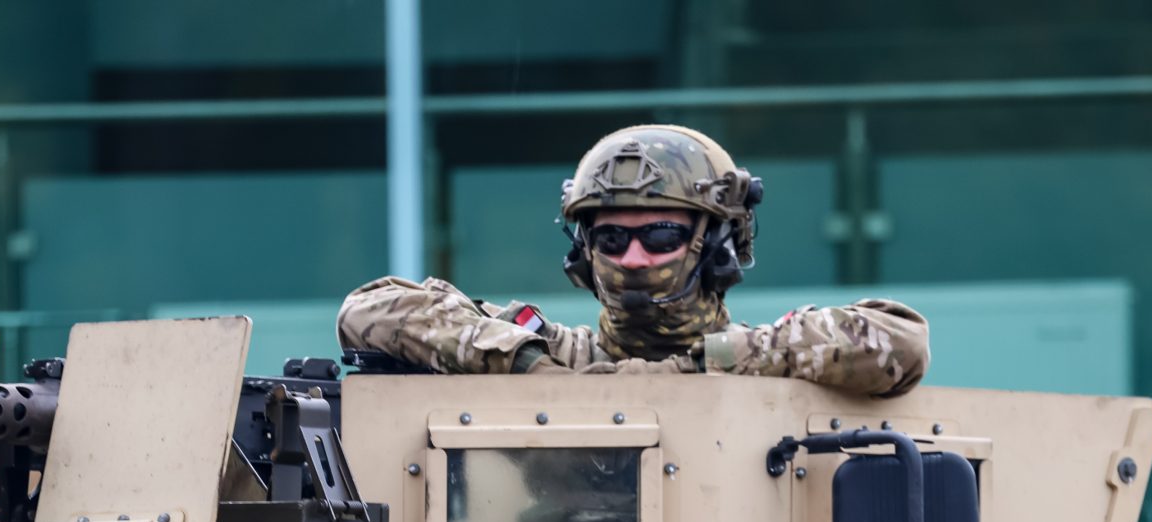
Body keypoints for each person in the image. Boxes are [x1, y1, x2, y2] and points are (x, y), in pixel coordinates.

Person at [337, 123, 928, 395]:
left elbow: (901, 342)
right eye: (613, 240)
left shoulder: (771, 362)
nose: (636, 258)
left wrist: (706, 367)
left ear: (719, 244)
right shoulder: (553, 358)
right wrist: (527, 368)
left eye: (662, 234)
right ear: (584, 253)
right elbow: (369, 311)